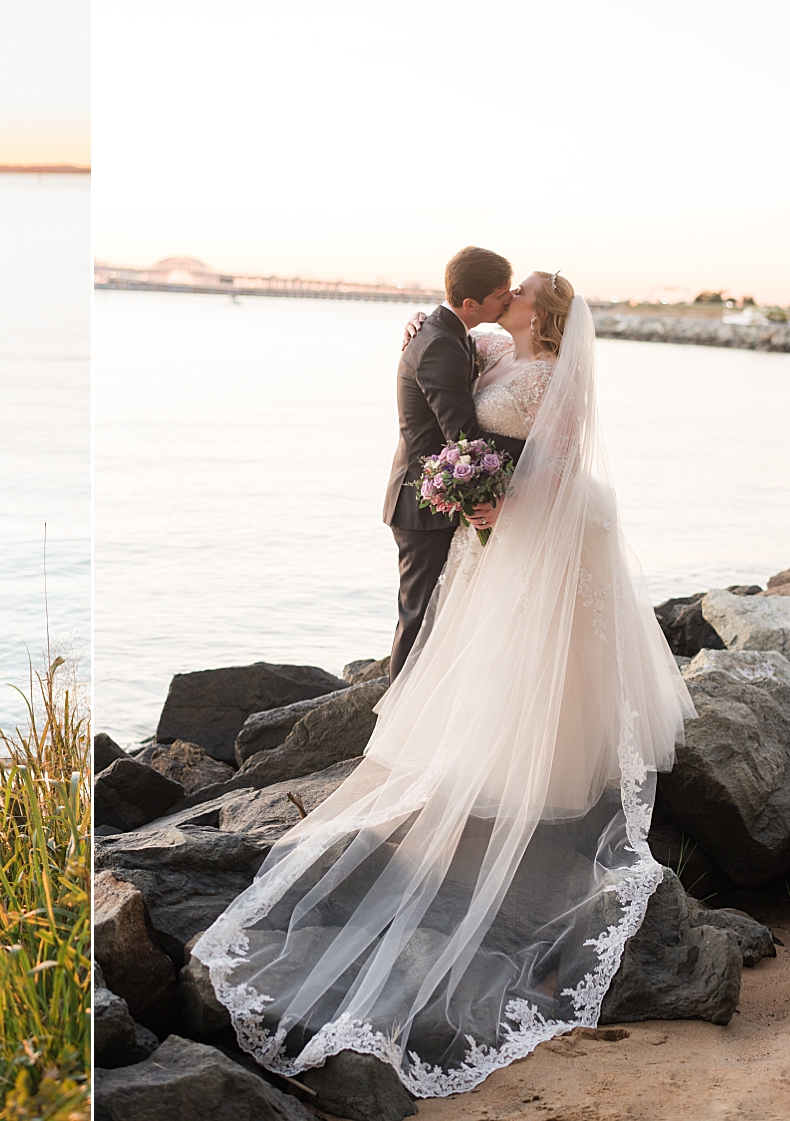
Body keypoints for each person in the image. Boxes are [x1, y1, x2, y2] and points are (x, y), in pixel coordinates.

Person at [194, 277, 695, 1097]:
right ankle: (495, 757)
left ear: (543, 309)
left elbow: (561, 461)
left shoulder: (556, 377)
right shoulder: (498, 348)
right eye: (505, 290)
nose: (511, 297)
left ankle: (555, 771)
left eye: (523, 292)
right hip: (501, 523)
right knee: (491, 649)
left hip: (546, 521)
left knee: (548, 651)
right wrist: (423, 334)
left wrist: (498, 504)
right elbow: (451, 346)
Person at [382, 246, 515, 683]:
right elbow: (461, 432)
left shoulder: (453, 333)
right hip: (422, 502)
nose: (509, 299)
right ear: (471, 303)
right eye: (500, 294)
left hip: (435, 498)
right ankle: (395, 724)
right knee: (420, 617)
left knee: (435, 614)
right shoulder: (440, 342)